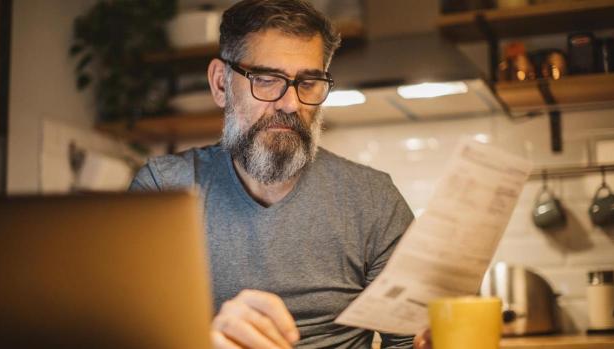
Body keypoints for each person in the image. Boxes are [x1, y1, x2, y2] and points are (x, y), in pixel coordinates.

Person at [130, 1, 430, 348]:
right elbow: (122, 335)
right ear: (220, 84)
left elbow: (412, 340)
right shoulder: (162, 190)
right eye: (267, 79)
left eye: (309, 82)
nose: (291, 104)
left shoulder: (373, 200)